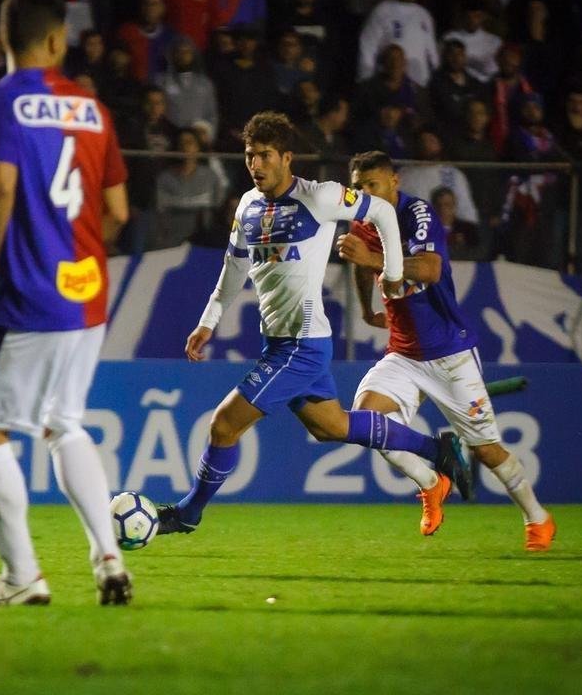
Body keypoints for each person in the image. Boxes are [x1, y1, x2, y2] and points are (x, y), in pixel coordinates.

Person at [156, 112, 469, 538]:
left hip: (301, 344)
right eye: (250, 156)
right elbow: (234, 268)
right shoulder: (247, 205)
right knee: (333, 427)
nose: (256, 165)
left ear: (287, 157)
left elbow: (380, 210)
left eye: (265, 155)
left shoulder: (319, 197)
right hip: (280, 341)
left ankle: (188, 513)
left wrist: (393, 271)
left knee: (223, 424)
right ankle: (439, 451)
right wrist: (208, 321)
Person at [0, 0, 132, 608]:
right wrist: (76, 249)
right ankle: (108, 558)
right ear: (57, 40)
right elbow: (116, 211)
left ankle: (21, 577)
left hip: (29, 290)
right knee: (64, 423)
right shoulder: (93, 108)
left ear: (5, 39)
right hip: (86, 294)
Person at [336, 151, 555, 551]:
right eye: (358, 187)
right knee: (367, 424)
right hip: (403, 355)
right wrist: (367, 309)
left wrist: (371, 259)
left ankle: (537, 517)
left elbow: (430, 269)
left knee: (485, 449)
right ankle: (432, 482)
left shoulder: (417, 213)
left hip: (449, 354)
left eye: (372, 185)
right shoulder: (364, 220)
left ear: (394, 182)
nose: (365, 193)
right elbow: (359, 262)